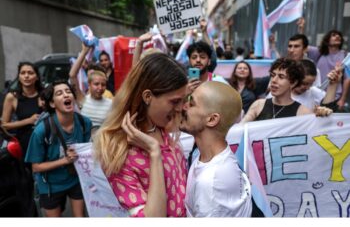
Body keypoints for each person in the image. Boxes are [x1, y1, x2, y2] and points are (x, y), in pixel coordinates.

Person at [94, 53, 188, 217]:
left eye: (183, 100)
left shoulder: (163, 127)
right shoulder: (119, 151)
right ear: (147, 97)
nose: (181, 108)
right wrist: (154, 152)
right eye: (174, 101)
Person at [180, 81, 252, 217]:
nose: (183, 107)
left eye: (191, 103)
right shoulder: (206, 158)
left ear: (212, 119)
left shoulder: (211, 182)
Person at [25, 80, 92, 217]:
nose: (66, 95)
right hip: (50, 185)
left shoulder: (85, 123)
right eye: (59, 93)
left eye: (68, 92)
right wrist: (64, 161)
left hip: (75, 179)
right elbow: (36, 167)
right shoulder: (41, 131)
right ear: (52, 103)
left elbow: (85, 151)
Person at [242, 58, 332, 122]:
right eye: (273, 75)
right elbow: (240, 130)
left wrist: (320, 117)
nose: (273, 80)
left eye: (281, 77)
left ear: (293, 82)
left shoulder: (303, 112)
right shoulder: (258, 105)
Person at [1, 62, 44, 156]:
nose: (26, 76)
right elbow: (4, 126)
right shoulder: (12, 97)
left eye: (30, 73)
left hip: (45, 140)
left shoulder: (44, 95)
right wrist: (28, 121)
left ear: (37, 77)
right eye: (23, 73)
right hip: (24, 143)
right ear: (19, 77)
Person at [69, 44, 112, 129]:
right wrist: (84, 52)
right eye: (96, 84)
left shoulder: (110, 103)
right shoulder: (82, 99)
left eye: (103, 85)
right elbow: (72, 75)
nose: (100, 88)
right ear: (89, 84)